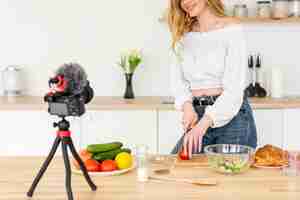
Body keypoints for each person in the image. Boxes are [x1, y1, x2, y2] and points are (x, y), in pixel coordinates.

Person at [168, 0, 257, 158]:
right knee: (179, 170)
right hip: (198, 114)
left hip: (233, 118)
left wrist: (204, 124)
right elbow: (178, 81)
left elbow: (234, 90)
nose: (185, 3)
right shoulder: (183, 34)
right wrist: (187, 107)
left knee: (227, 178)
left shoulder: (232, 30)